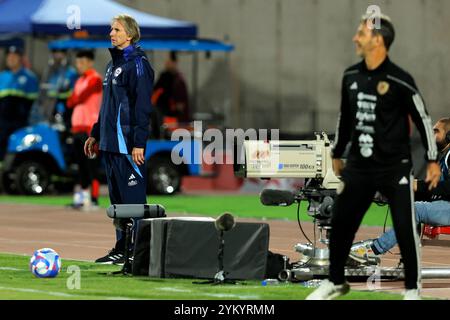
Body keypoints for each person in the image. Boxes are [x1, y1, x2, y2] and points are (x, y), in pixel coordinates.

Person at [306, 13, 441, 300]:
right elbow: (345, 118)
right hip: (360, 165)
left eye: (361, 33)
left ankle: (412, 290)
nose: (355, 38)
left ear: (378, 40)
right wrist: (338, 152)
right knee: (342, 221)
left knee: (405, 225)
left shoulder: (400, 80)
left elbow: (424, 120)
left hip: (395, 167)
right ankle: (334, 282)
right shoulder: (350, 76)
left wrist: (432, 159)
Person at [84, 14, 154, 264]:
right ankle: (121, 249)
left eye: (116, 29)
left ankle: (140, 253)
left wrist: (139, 143)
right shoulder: (112, 65)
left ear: (130, 35)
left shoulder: (139, 64)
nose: (111, 33)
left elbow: (143, 107)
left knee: (134, 202)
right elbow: (108, 106)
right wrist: (95, 133)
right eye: (111, 29)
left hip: (128, 145)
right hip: (110, 144)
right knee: (118, 203)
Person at [350, 118, 450, 260]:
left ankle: (373, 250)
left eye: (436, 131)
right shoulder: (444, 158)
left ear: (449, 136)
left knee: (414, 210)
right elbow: (437, 193)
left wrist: (418, 185)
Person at [66, 50, 102, 210]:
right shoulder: (79, 81)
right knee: (80, 165)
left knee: (91, 165)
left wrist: (75, 97)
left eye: (82, 62)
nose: (78, 66)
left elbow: (78, 98)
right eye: (77, 62)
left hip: (90, 128)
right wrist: (75, 97)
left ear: (90, 62)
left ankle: (94, 199)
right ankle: (81, 198)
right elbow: (69, 102)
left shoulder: (95, 79)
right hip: (77, 128)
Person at [0, 45, 39, 161]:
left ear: (20, 58)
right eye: (9, 56)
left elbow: (34, 105)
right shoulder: (2, 77)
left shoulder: (30, 78)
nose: (11, 59)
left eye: (14, 56)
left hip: (21, 124)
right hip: (2, 124)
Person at [151, 51, 190, 125]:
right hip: (163, 116)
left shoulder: (178, 81)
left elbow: (180, 106)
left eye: (168, 61)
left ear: (174, 62)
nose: (166, 63)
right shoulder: (165, 77)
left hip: (173, 119)